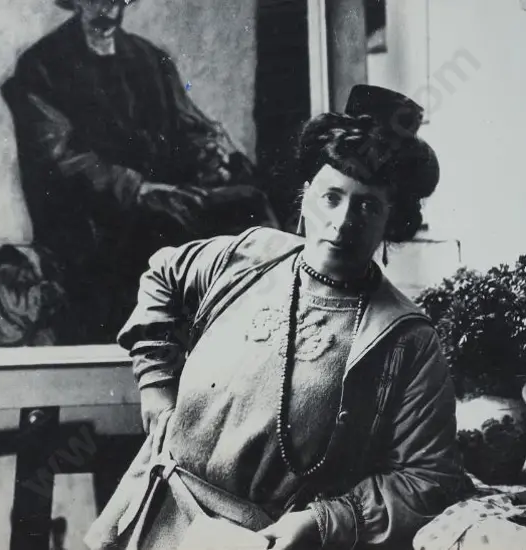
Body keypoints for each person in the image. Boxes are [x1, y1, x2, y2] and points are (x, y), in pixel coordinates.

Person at [84, 85, 466, 550]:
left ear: (392, 221)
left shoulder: (405, 338)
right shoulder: (249, 255)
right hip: (152, 513)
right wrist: (155, 383)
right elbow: (164, 273)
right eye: (331, 197)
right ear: (306, 196)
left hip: (257, 540)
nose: (343, 221)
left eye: (368, 206)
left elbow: (426, 478)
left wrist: (323, 522)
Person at [0, 0, 278, 344]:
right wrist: (137, 189)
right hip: (92, 225)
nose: (106, 8)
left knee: (250, 205)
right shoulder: (42, 65)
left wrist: (209, 153)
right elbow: (60, 160)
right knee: (166, 241)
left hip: (161, 202)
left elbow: (188, 125)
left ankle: (263, 337)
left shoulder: (149, 59)